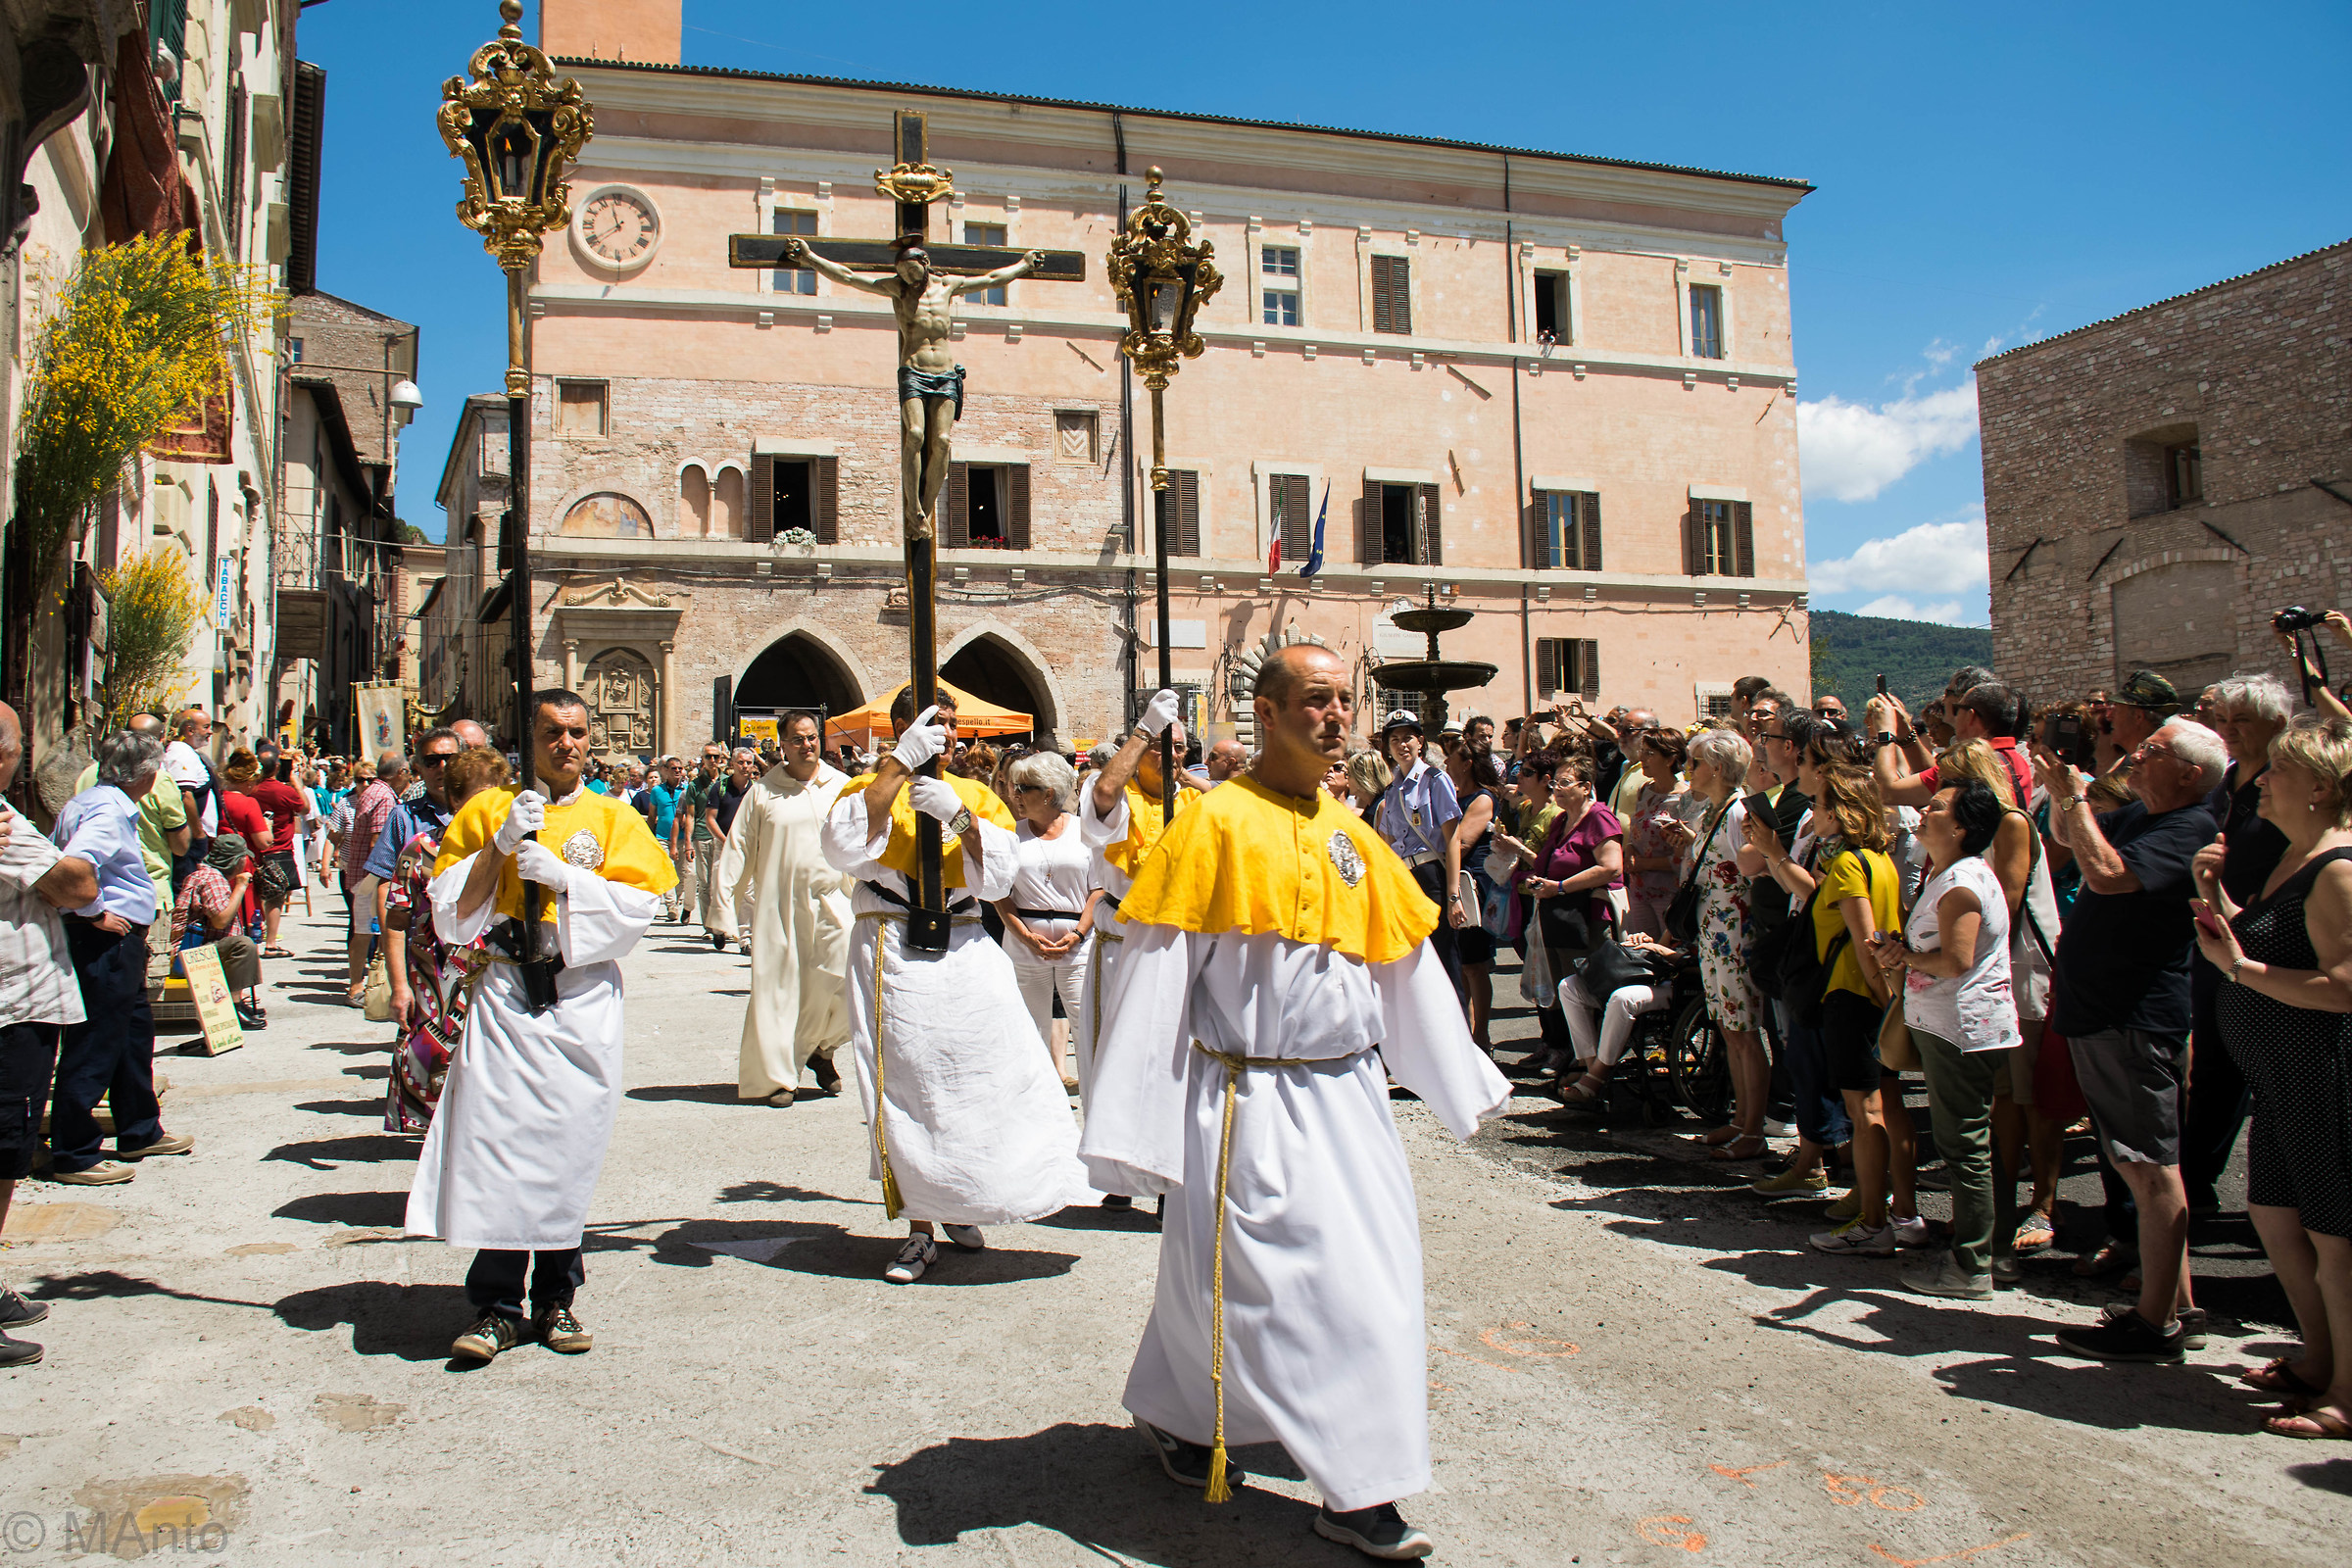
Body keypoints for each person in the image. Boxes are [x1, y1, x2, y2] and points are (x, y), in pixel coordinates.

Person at [1080, 643, 1510, 1561]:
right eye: (1316, 700)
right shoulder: (1211, 825)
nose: (1337, 716)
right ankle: (1361, 1492)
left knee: (1354, 1281)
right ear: (1265, 716)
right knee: (1295, 1286)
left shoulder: (1354, 835)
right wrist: (1131, 1123)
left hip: (1350, 1098)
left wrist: (1459, 1081)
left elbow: (1401, 970)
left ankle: (1182, 1412)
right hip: (1246, 1095)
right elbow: (1157, 980)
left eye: (1344, 701)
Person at [408, 690, 676, 1362]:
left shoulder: (614, 817)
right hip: (505, 991)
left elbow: (639, 910)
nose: (567, 743)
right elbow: (451, 915)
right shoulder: (488, 811)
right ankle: (496, 1305)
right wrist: (498, 847)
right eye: (553, 731)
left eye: (578, 732)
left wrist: (566, 882)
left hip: (580, 997)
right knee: (502, 1148)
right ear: (527, 738)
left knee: (566, 1149)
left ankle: (557, 1298)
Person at [821, 687, 1088, 1283]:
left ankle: (961, 1198)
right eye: (928, 725)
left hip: (965, 943)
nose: (943, 734)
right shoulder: (864, 786)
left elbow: (996, 878)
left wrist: (959, 816)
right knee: (908, 1086)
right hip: (893, 941)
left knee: (981, 1076)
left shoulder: (973, 795)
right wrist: (896, 765)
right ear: (900, 727)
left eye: (948, 723)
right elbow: (842, 845)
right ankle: (920, 1224)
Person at [2036, 716, 2223, 1361]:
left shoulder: (2189, 826)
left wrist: (2076, 798)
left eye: (2155, 750)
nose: (2138, 756)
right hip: (2104, 1015)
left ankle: (2155, 1325)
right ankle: (2179, 1305)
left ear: (2191, 773)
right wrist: (2067, 795)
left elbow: (2107, 874)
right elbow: (2070, 840)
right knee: (2136, 1162)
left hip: (2133, 1019)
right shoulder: (2144, 814)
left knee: (2150, 1166)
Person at [2190, 716, 2352, 1439]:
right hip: (2283, 1076)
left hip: (2325, 1075)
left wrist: (2239, 968)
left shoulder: (2339, 867)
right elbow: (2260, 942)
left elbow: (2344, 986)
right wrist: (2216, 894)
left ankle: (2347, 1391)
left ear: (2321, 787)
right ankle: (2319, 1359)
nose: (2260, 783)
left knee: (2336, 1239)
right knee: (2278, 1219)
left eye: (2276, 772)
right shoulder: (2297, 856)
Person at [1877, 781, 2020, 1298]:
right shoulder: (1949, 875)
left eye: (1936, 806)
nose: (1923, 810)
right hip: (1959, 1024)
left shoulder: (1960, 882)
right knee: (1973, 1141)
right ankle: (1995, 1254)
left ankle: (1972, 1265)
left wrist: (1904, 958)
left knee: (1964, 1146)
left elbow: (1956, 962)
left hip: (1960, 1026)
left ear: (1959, 827)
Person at [46, 730, 192, 1186]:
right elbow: (73, 865)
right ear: (148, 774)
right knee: (95, 1041)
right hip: (106, 939)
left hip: (118, 938)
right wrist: (93, 914)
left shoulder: (88, 802)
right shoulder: (107, 813)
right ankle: (74, 1150)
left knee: (131, 1033)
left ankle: (138, 1128)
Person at [0, 704, 98, 1365]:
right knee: (2, 1154)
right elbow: (78, 884)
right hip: (11, 1009)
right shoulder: (6, 829)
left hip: (22, 1004)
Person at [1779, 767, 1905, 1254]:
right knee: (1877, 1107)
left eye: (1820, 805)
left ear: (1838, 811)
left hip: (1853, 994)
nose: (1813, 813)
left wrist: (1880, 999)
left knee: (1864, 1109)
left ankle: (1873, 1220)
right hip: (1870, 994)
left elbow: (1865, 937)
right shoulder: (1881, 859)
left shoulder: (1851, 865)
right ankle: (1882, 1209)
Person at [2184, 673, 2292, 1218]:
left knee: (2270, 1073)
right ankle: (2199, 1185)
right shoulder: (2224, 783)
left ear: (2277, 724)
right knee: (2215, 1068)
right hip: (2217, 940)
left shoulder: (2287, 784)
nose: (2226, 731)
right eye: (2222, 720)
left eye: (2239, 721)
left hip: (2272, 945)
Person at [710, 712, 854, 1106]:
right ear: (783, 746)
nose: (806, 745)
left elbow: (864, 842)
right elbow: (737, 851)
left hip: (834, 901)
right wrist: (725, 910)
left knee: (842, 975)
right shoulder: (762, 793)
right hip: (779, 905)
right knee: (779, 991)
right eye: (797, 739)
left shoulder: (842, 787)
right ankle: (779, 1078)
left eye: (811, 737)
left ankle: (820, 1047)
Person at [1077, 692, 1200, 1154]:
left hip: (1180, 940)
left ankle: (1174, 1163)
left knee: (1177, 1052)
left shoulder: (1194, 802)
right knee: (1113, 1051)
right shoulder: (1116, 796)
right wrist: (1146, 729)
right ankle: (1117, 1159)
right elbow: (1104, 795)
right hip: (1121, 940)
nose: (1172, 755)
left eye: (1181, 747)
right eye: (1162, 746)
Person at [382, 747, 508, 1135]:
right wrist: (400, 986)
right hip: (434, 982)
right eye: (477, 797)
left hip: (499, 978)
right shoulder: (420, 850)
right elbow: (396, 919)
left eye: (498, 796)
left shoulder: (518, 849)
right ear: (455, 800)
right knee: (434, 1070)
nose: (488, 807)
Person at [1662, 729, 1771, 1159]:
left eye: (1695, 762)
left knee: (1744, 1032)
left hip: (1734, 933)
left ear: (1718, 769)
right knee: (1730, 1030)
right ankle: (1742, 1120)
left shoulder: (1738, 812)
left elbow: (1751, 864)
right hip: (1716, 931)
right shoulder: (1715, 811)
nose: (1689, 769)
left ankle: (1754, 1130)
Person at [1512, 754, 1625, 1085]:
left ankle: (1596, 1070)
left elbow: (1611, 867)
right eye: (1555, 782)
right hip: (1558, 918)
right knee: (1568, 994)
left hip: (1588, 919)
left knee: (1590, 992)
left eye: (1564, 782)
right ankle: (1579, 1064)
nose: (1556, 788)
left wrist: (1560, 886)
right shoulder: (1561, 821)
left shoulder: (1600, 818)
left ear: (1586, 786)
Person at [996, 751, 1100, 1092]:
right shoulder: (1010, 834)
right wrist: (1025, 935)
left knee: (1088, 1027)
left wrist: (1079, 933)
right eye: (1014, 787)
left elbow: (1098, 890)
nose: (1015, 795)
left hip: (1078, 947)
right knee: (1028, 1029)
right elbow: (999, 892)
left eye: (1023, 788)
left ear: (1049, 793)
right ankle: (1035, 1103)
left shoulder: (1085, 832)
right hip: (1025, 948)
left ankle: (1097, 1102)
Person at [1375, 710, 1465, 994]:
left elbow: (1452, 838)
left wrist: (1454, 895)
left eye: (1408, 738)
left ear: (1420, 742)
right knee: (1416, 965)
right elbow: (1387, 845)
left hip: (1432, 876)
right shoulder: (1391, 790)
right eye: (1395, 739)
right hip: (1405, 880)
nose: (1402, 745)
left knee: (1446, 962)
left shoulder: (1435, 780)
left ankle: (1459, 1033)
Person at [169, 833, 266, 1028]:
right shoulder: (213, 879)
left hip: (194, 948)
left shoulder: (207, 874)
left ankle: (237, 1003)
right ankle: (235, 1005)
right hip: (188, 955)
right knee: (243, 945)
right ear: (237, 861)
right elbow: (220, 920)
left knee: (243, 941)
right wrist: (240, 887)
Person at [1445, 741, 1505, 1050]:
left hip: (1473, 885)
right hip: (1454, 878)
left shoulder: (1482, 799)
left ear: (1466, 763)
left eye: (1450, 758)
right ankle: (1465, 1034)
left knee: (1475, 963)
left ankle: (1481, 1033)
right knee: (1460, 963)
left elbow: (1462, 842)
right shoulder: (1453, 796)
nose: (1445, 762)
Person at [1620, 728, 1705, 936]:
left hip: (1668, 891)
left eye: (1650, 753)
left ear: (1670, 759)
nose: (1642, 758)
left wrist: (1644, 864)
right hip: (1639, 889)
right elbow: (1637, 830)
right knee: (1641, 951)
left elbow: (1688, 852)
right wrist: (1630, 849)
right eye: (1642, 751)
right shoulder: (1645, 789)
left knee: (1668, 950)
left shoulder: (1685, 798)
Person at [340, 756, 398, 1007]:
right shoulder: (384, 797)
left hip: (361, 874)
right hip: (373, 877)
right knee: (373, 933)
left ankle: (360, 985)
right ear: (401, 772)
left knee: (363, 932)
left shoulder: (371, 792)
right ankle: (363, 988)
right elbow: (378, 842)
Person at [245, 753, 308, 956]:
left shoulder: (250, 789)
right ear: (277, 767)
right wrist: (296, 782)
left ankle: (254, 933)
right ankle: (270, 942)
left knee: (254, 894)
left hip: (254, 848)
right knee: (276, 898)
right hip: (280, 847)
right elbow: (305, 808)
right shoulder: (283, 790)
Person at [700, 749, 758, 951]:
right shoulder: (720, 788)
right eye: (741, 762)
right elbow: (710, 819)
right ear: (732, 764)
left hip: (747, 847)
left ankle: (746, 939)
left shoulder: (755, 790)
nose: (745, 766)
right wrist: (725, 840)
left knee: (749, 892)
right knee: (720, 887)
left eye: (748, 762)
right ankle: (718, 927)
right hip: (723, 845)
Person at [678, 744, 726, 929]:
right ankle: (709, 925)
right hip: (702, 835)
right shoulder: (694, 786)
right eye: (708, 757)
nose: (712, 760)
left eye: (716, 756)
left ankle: (721, 924)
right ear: (703, 759)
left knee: (721, 883)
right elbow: (690, 815)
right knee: (705, 883)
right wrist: (688, 843)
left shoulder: (727, 782)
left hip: (722, 836)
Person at [645, 756, 689, 921]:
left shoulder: (687, 790)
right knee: (666, 869)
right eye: (673, 768)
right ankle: (671, 905)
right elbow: (651, 815)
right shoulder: (657, 791)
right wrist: (649, 835)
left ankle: (679, 900)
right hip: (662, 836)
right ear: (665, 771)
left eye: (679, 768)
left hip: (683, 838)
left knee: (682, 872)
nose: (677, 771)